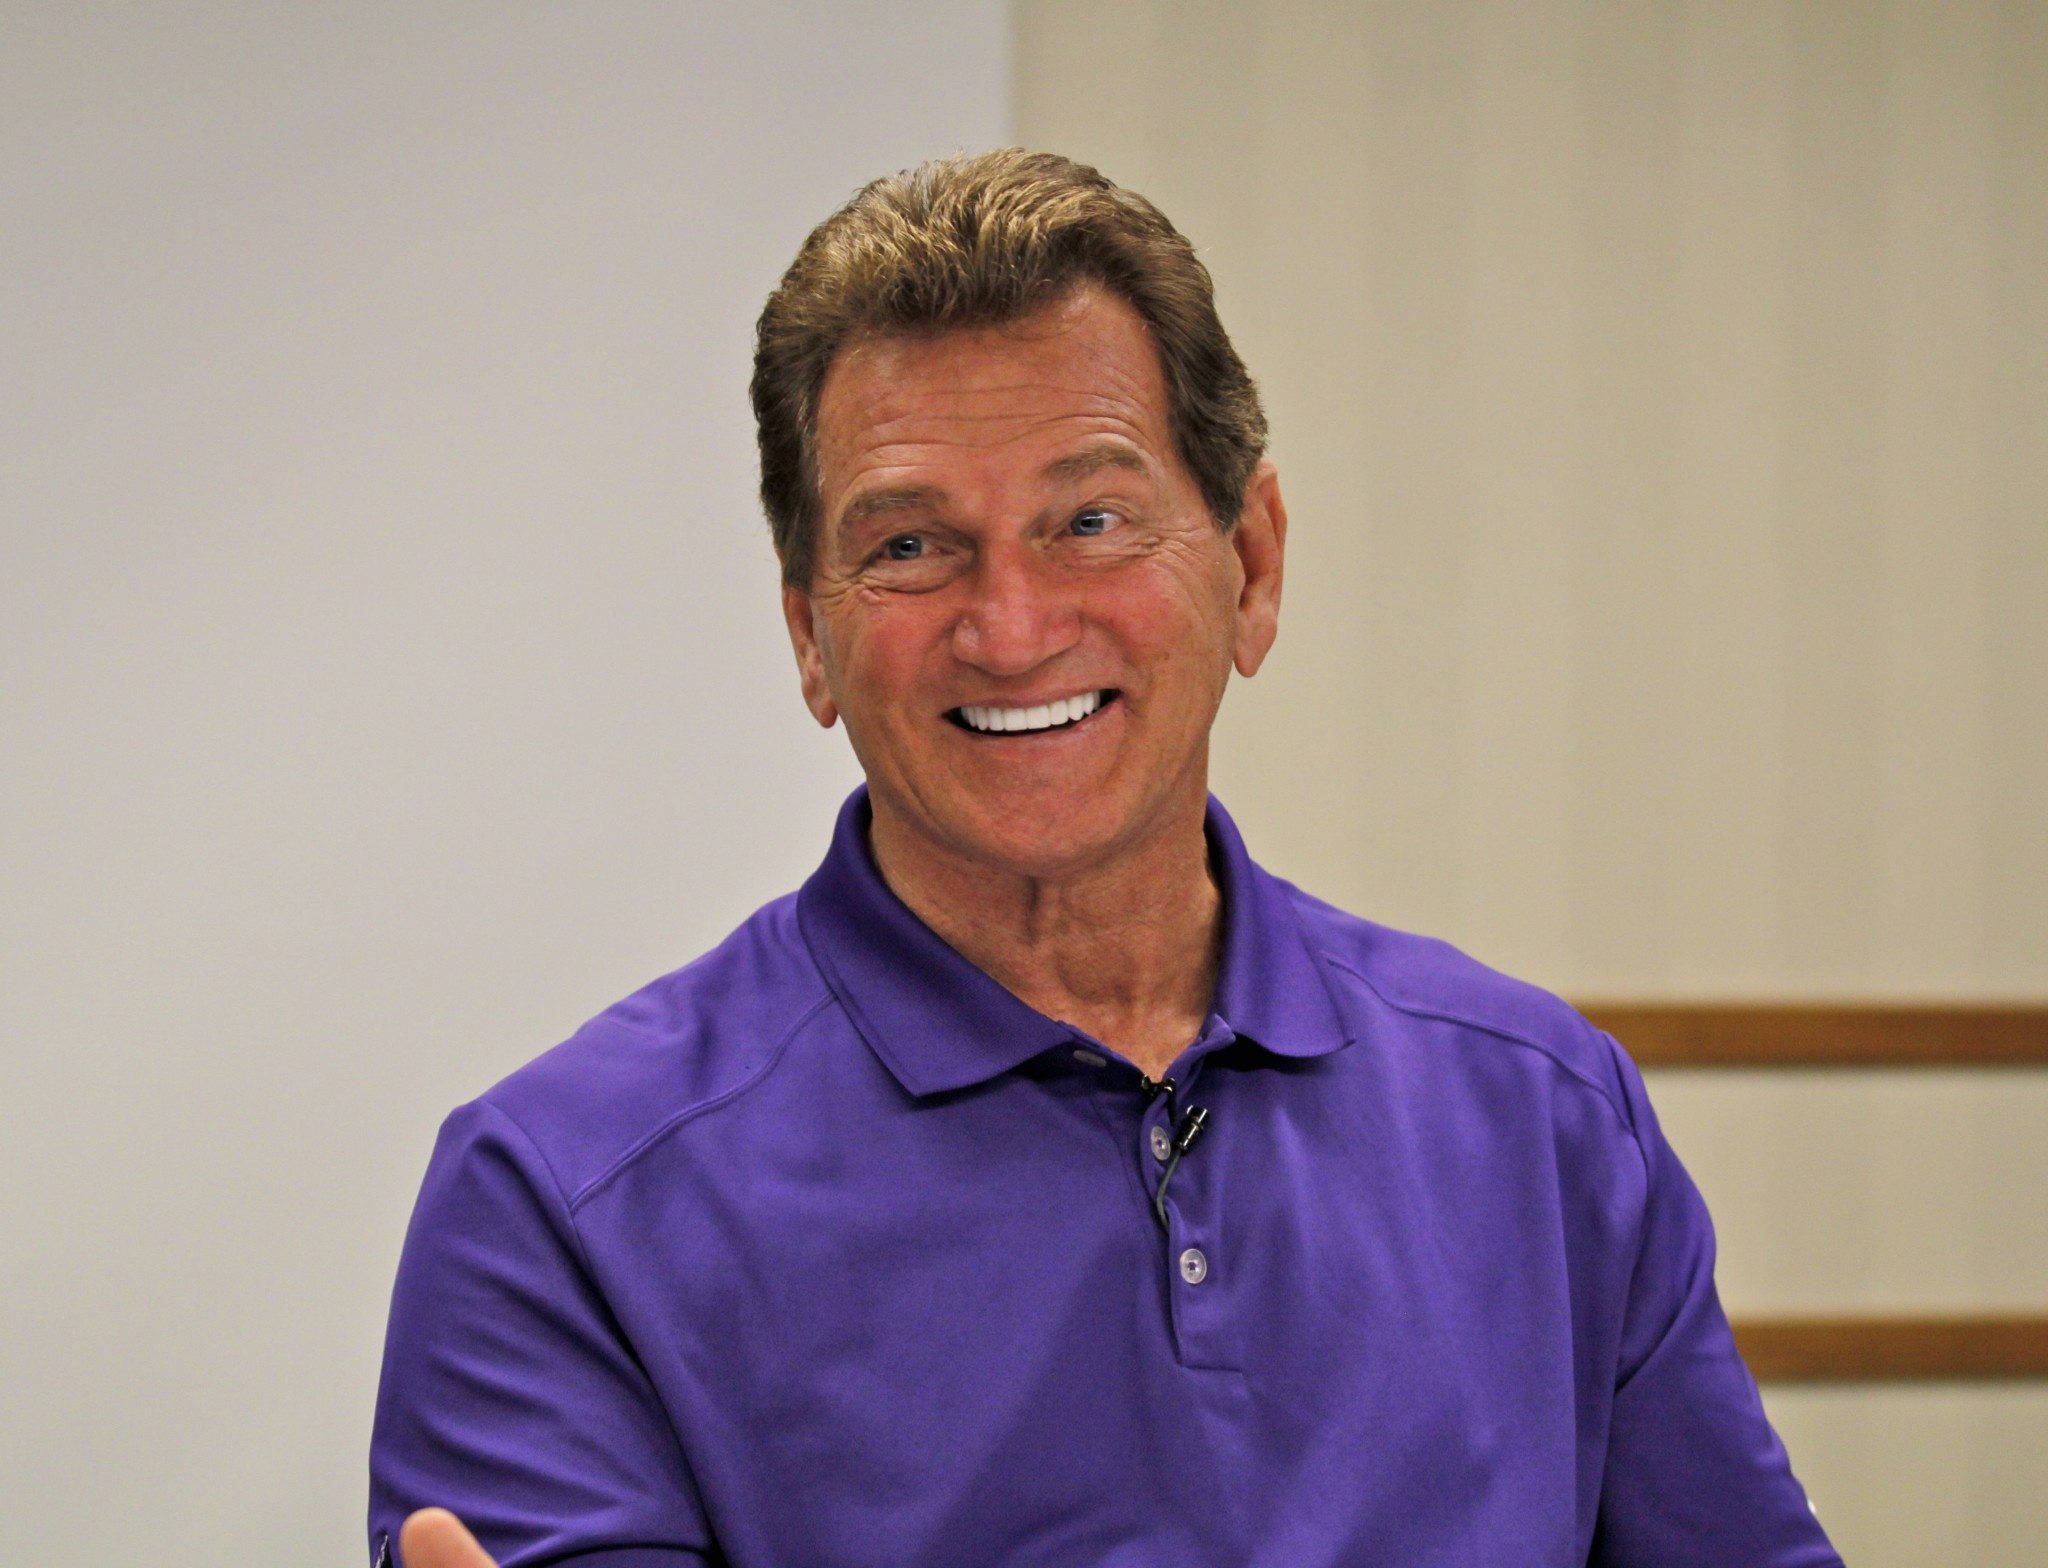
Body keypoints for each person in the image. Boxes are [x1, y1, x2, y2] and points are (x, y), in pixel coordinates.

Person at [369, 149, 1843, 1568]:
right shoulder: (559, 1200)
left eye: (1091, 520)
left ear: (1251, 565)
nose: (1012, 629)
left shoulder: (1547, 1115)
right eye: (909, 547)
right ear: (810, 634)